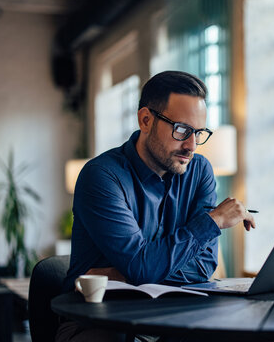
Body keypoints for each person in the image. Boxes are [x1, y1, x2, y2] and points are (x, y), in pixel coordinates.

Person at [56, 71, 256, 342]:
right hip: (98, 322)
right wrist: (213, 221)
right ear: (146, 120)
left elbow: (204, 265)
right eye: (182, 130)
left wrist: (123, 275)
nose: (191, 146)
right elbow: (141, 265)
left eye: (198, 132)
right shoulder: (101, 176)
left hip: (171, 317)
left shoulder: (199, 172)